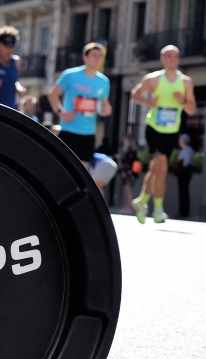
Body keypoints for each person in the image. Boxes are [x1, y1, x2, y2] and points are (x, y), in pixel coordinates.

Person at [129, 45, 197, 224]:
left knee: (155, 169)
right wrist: (148, 101)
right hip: (154, 129)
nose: (172, 59)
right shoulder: (153, 79)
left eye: (175, 56)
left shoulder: (186, 82)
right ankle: (158, 210)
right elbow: (135, 94)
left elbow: (191, 109)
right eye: (168, 55)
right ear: (162, 59)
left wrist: (182, 100)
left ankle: (141, 201)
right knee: (162, 167)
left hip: (172, 131)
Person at [47, 43, 113, 166]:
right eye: (94, 55)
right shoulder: (70, 75)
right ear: (85, 57)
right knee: (66, 167)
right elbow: (53, 94)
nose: (97, 59)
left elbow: (104, 104)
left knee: (83, 170)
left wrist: (107, 109)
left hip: (89, 132)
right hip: (69, 130)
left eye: (100, 56)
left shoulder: (104, 82)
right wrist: (61, 112)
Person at [174, 133, 196, 218]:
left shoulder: (187, 150)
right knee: (183, 192)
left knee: (183, 193)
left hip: (184, 174)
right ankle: (182, 211)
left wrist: (179, 166)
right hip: (184, 174)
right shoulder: (187, 150)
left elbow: (186, 163)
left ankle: (183, 212)